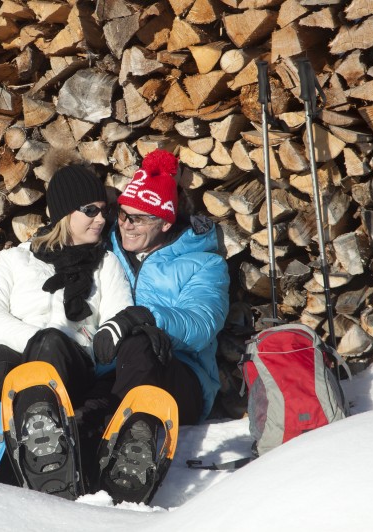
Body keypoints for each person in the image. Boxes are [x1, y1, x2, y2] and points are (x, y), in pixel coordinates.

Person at [0, 159, 134, 500]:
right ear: (64, 212)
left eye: (104, 211)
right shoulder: (16, 260)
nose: (101, 219)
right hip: (11, 359)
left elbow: (117, 320)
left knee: (50, 344)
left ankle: (40, 444)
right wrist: (31, 339)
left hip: (71, 367)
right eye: (90, 210)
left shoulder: (106, 265)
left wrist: (63, 342)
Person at [90, 149, 230, 502]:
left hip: (182, 377)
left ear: (165, 222)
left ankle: (131, 455)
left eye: (139, 218)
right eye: (122, 215)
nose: (126, 225)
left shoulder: (203, 263)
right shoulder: (107, 253)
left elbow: (201, 324)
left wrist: (146, 318)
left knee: (139, 345)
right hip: (114, 369)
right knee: (89, 405)